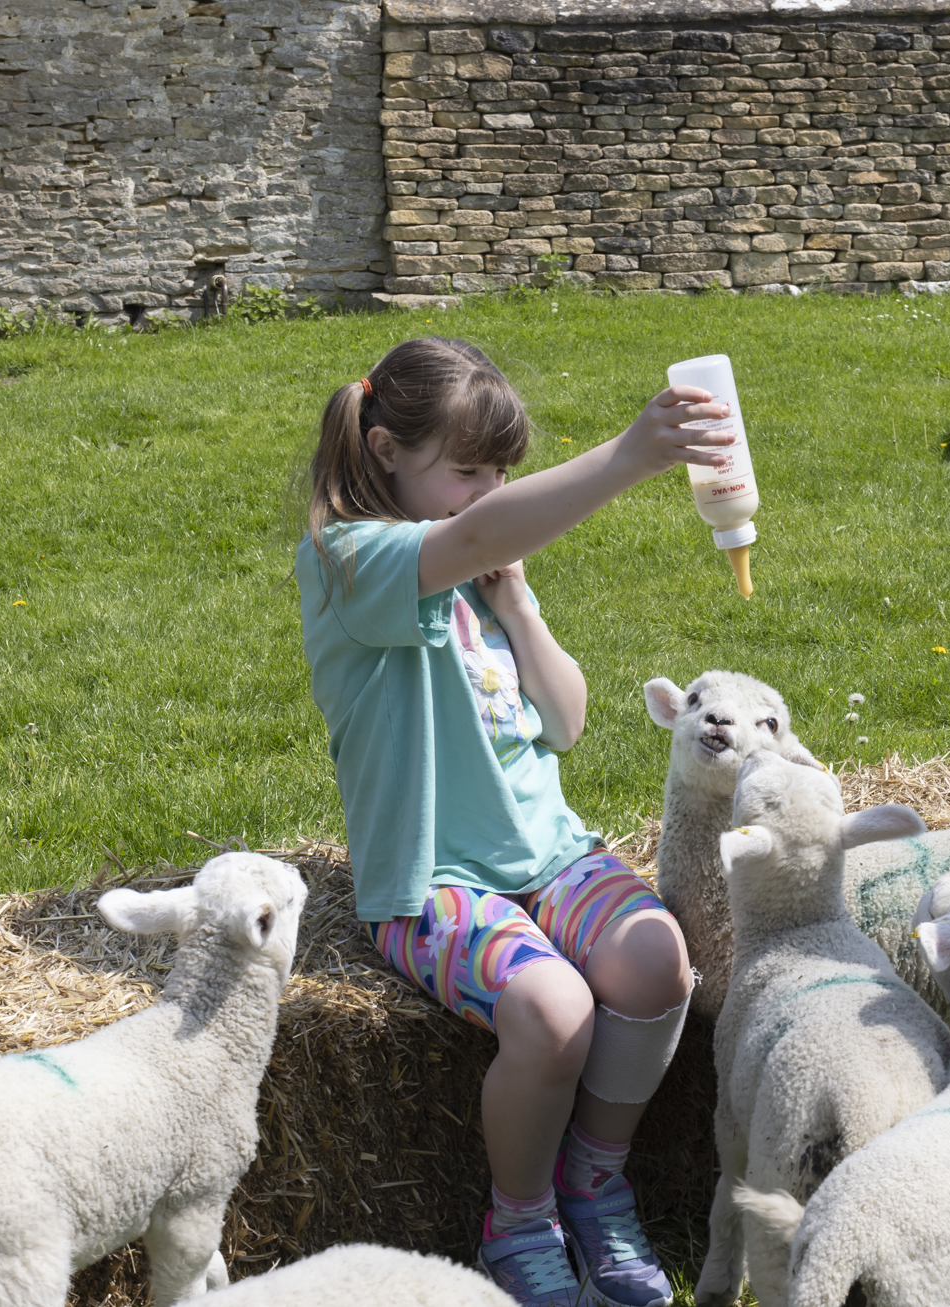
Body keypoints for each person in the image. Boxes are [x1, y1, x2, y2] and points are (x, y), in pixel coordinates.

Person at [295, 337, 734, 1307]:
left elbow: (566, 721)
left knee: (658, 958)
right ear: (383, 450)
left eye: (502, 473)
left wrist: (521, 601)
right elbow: (469, 539)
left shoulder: (480, 569)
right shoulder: (349, 561)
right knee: (553, 1010)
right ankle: (519, 1216)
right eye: (469, 471)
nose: (489, 492)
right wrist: (628, 455)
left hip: (549, 850)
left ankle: (593, 1175)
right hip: (434, 879)